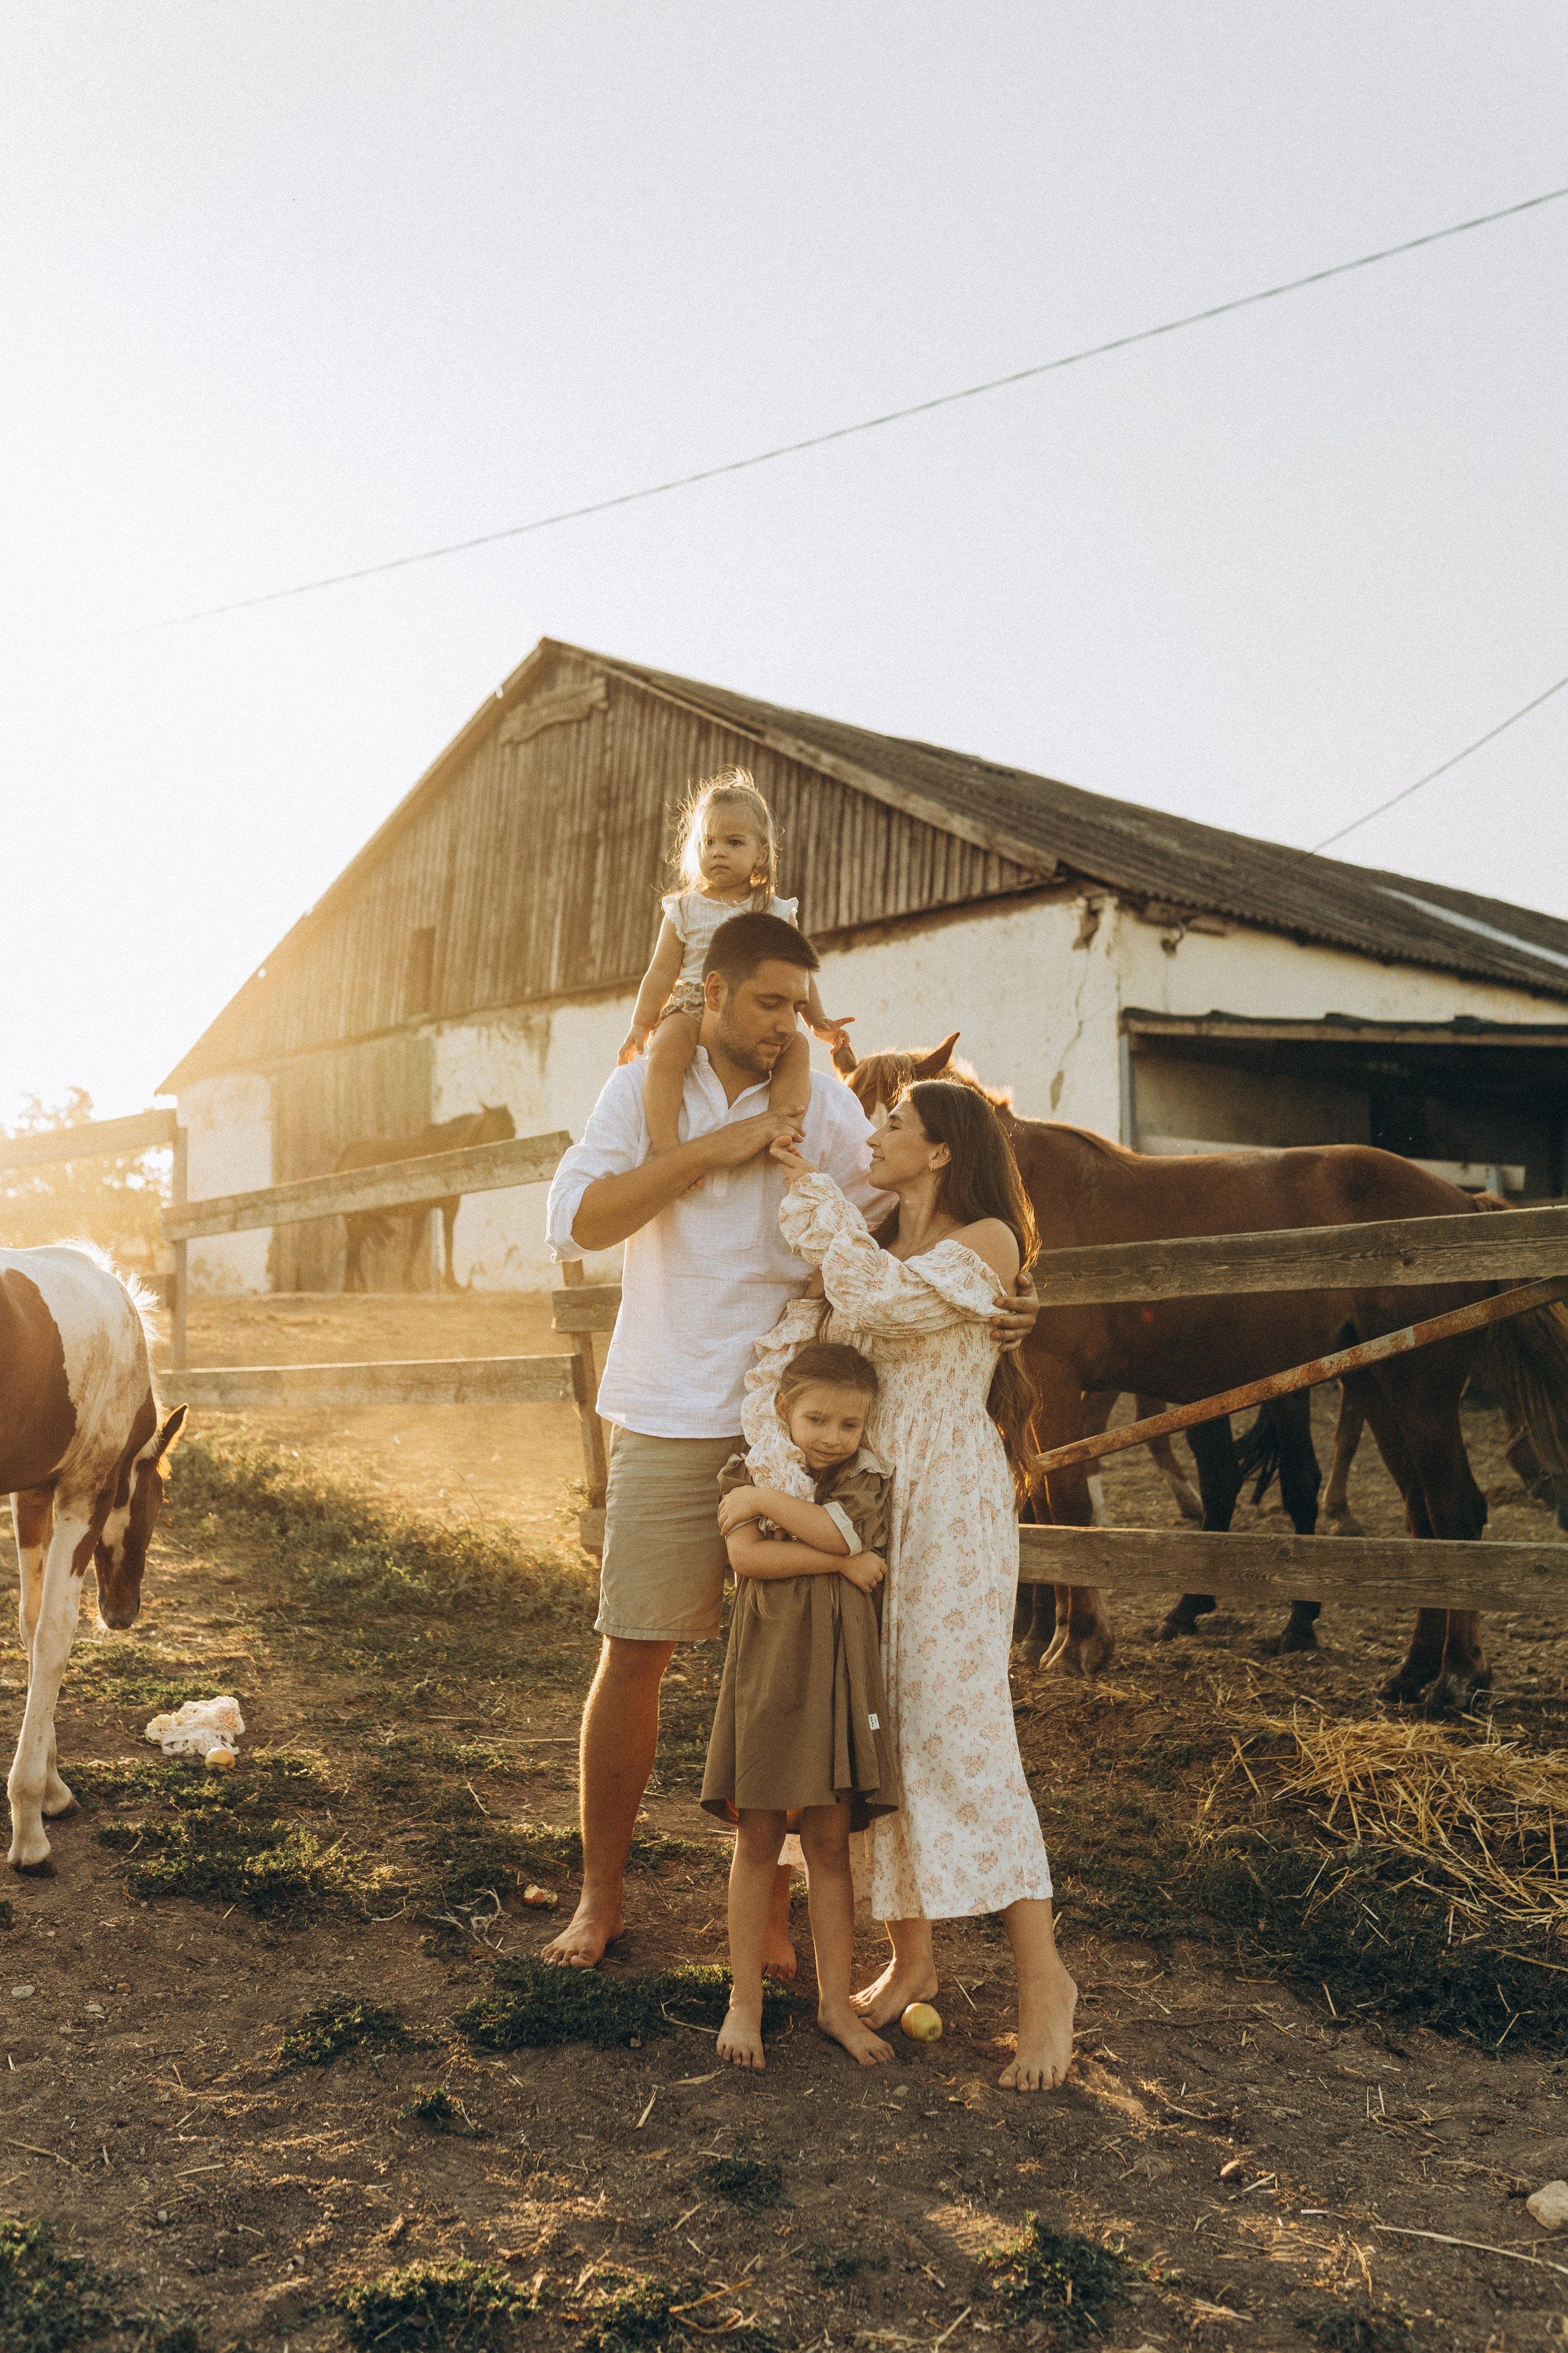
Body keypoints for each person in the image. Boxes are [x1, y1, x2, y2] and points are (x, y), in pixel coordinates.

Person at [542, 909, 1039, 1971]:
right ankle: (601, 1895)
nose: (787, 1024)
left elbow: (913, 1219)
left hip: (811, 1420)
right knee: (636, 1649)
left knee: (793, 1667)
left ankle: (767, 1908)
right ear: (711, 993)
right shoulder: (644, 1093)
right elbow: (578, 1220)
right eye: (769, 1002)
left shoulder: (819, 1113)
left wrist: (1003, 1290)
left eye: (797, 1006)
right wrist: (719, 1146)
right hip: (674, 1403)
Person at [754, 1080, 1077, 2093]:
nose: (875, 1136)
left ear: (942, 1150)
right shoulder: (887, 1235)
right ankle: (913, 1955)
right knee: (878, 1723)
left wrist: (810, 1193)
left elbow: (878, 1305)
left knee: (960, 1727)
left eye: (893, 1124)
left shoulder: (986, 1242)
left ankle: (1046, 1983)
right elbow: (828, 1326)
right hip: (878, 1499)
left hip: (954, 1506)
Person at [703, 1340, 900, 2073]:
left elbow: (841, 1527)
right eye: (816, 1418)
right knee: (757, 1835)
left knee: (828, 1843)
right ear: (783, 1411)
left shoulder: (865, 1476)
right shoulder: (746, 1469)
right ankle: (743, 2000)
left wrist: (782, 1518)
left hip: (838, 1673)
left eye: (849, 1424)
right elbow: (749, 1559)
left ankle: (833, 2003)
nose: (830, 1437)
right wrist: (840, 1565)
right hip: (771, 1667)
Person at [617, 769, 852, 1153]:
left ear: (762, 852)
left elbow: (800, 974)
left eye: (734, 842)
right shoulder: (685, 908)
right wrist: (642, 1025)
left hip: (757, 1011)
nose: (718, 852)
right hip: (693, 1003)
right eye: (708, 842)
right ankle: (665, 1143)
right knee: (667, 1051)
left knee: (797, 1051)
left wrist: (816, 1020)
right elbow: (661, 972)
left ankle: (782, 1126)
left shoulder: (776, 910)